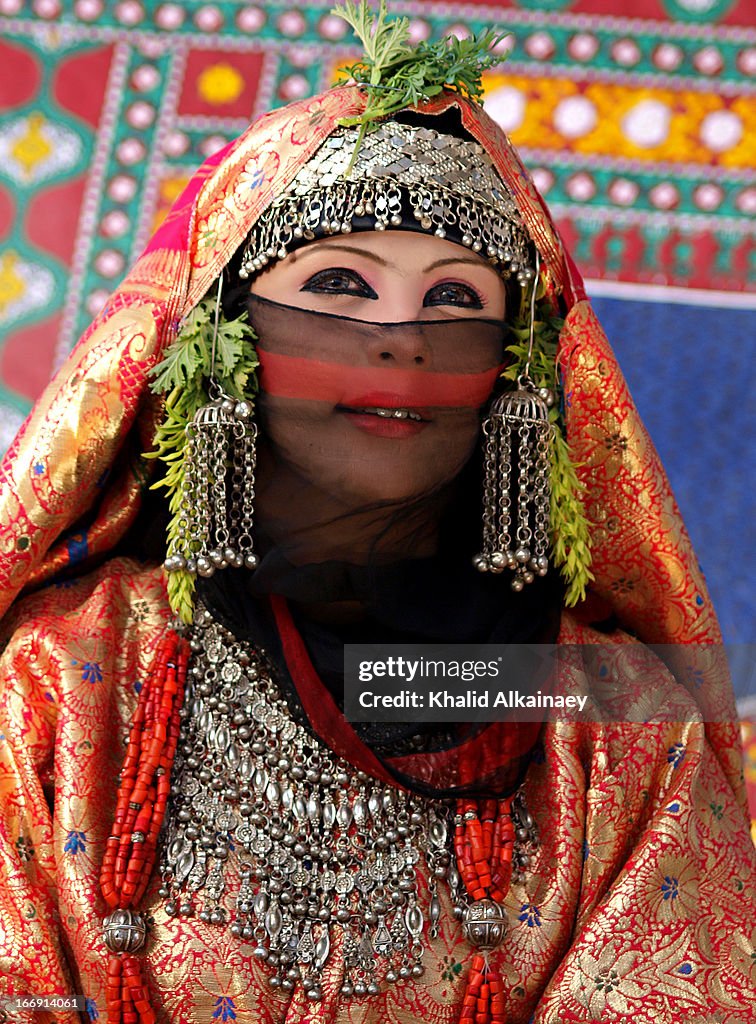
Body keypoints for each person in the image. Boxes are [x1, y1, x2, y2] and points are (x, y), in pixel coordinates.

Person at [0, 8, 753, 1023]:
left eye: (453, 301)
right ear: (229, 347)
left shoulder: (619, 735)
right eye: (340, 285)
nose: (401, 339)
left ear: (513, 378)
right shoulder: (58, 687)